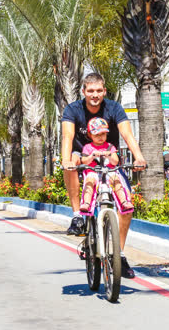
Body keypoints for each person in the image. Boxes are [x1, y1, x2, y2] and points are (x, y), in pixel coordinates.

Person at [61, 72, 147, 279]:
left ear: (104, 91)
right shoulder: (73, 109)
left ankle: (120, 254)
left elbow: (127, 134)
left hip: (110, 157)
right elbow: (67, 136)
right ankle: (76, 217)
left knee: (126, 204)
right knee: (70, 165)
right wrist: (67, 160)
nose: (95, 95)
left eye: (99, 90)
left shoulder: (114, 108)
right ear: (83, 92)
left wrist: (139, 157)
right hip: (82, 155)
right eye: (90, 91)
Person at [79, 117, 134, 214]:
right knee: (89, 182)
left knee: (116, 181)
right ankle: (86, 203)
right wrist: (92, 156)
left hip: (109, 172)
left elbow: (115, 162)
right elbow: (84, 161)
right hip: (93, 172)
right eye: (97, 135)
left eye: (103, 134)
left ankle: (124, 202)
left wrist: (109, 155)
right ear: (90, 135)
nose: (100, 137)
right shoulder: (88, 147)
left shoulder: (110, 146)